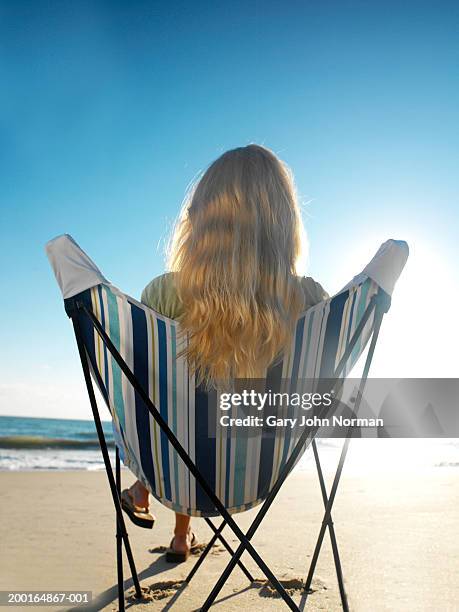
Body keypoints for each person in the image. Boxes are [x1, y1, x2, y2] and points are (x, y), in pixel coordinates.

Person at [121, 144, 328, 561]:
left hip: (175, 471)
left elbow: (144, 402)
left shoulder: (161, 293)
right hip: (256, 474)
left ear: (199, 218)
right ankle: (180, 536)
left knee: (179, 419)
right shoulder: (310, 301)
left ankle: (148, 497)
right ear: (284, 224)